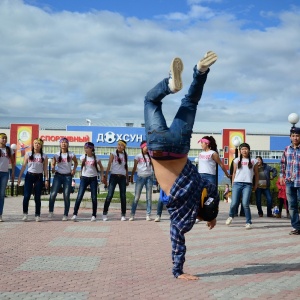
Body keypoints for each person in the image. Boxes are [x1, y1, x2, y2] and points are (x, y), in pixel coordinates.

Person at [144, 51, 219, 280]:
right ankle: (169, 83)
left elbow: (212, 188)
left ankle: (200, 72)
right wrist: (178, 271)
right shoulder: (182, 217)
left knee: (190, 102)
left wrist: (212, 214)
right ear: (198, 216)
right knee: (150, 101)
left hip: (180, 146)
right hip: (158, 147)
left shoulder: (201, 186)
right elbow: (178, 242)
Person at [225, 143, 258, 229]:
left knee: (245, 204)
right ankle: (231, 216)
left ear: (249, 150)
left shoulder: (254, 161)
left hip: (248, 184)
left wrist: (256, 185)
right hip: (237, 183)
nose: (244, 151)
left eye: (246, 149)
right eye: (242, 149)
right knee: (234, 203)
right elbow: (234, 172)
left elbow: (257, 174)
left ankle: (248, 222)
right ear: (240, 151)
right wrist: (233, 184)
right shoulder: (236, 160)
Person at [17, 138, 49, 222]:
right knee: (26, 196)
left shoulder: (44, 156)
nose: (37, 145)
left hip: (39, 177)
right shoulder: (28, 154)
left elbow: (45, 169)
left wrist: (46, 179)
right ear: (33, 144)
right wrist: (20, 177)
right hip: (29, 176)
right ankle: (25, 214)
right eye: (35, 143)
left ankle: (37, 215)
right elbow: (24, 166)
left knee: (37, 197)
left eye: (38, 143)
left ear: (41, 145)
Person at [71, 142, 104, 222]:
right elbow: (81, 167)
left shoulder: (96, 158)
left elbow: (101, 168)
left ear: (91, 149)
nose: (85, 149)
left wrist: (102, 176)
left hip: (93, 178)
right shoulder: (83, 157)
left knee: (94, 197)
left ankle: (94, 215)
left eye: (87, 148)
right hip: (84, 178)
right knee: (79, 196)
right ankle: (75, 214)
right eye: (85, 148)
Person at [48, 137, 78, 221]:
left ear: (68, 144)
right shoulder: (57, 154)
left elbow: (76, 162)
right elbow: (53, 164)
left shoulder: (71, 154)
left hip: (68, 176)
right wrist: (53, 168)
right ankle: (51, 211)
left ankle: (65, 214)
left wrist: (74, 169)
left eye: (65, 142)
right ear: (60, 144)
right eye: (62, 142)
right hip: (58, 176)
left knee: (66, 195)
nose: (64, 144)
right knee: (53, 194)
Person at [280, 126, 300, 235]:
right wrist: (281, 176)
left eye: (297, 135)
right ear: (290, 137)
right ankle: (296, 227)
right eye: (293, 136)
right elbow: (283, 163)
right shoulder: (287, 149)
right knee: (292, 205)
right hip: (289, 180)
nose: (295, 138)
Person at [102, 139, 129, 221]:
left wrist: (127, 178)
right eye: (118, 145)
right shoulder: (113, 154)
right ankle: (105, 213)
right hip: (113, 176)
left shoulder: (125, 155)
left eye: (121, 145)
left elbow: (126, 167)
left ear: (124, 147)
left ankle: (123, 214)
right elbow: (109, 165)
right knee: (110, 195)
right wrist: (106, 177)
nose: (119, 146)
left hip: (122, 177)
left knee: (123, 196)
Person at [129, 141, 154, 221]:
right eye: (145, 146)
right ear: (142, 147)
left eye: (148, 146)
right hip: (140, 178)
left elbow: (154, 167)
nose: (147, 148)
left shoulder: (150, 156)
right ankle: (132, 214)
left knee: (149, 197)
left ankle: (148, 214)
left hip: (149, 178)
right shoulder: (138, 156)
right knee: (136, 197)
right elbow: (134, 167)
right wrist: (132, 176)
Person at [0, 133, 15, 222]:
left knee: (2, 195)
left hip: (5, 174)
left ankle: (0, 214)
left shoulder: (8, 150)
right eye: (2, 138)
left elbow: (13, 162)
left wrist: (12, 173)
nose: (4, 140)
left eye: (5, 138)